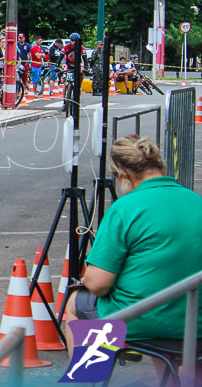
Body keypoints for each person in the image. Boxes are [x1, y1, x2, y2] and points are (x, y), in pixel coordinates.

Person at [63, 135, 202, 348]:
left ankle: (88, 376)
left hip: (140, 319)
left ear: (124, 174)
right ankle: (174, 376)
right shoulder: (196, 201)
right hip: (194, 321)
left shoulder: (125, 209)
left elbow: (97, 284)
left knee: (76, 304)